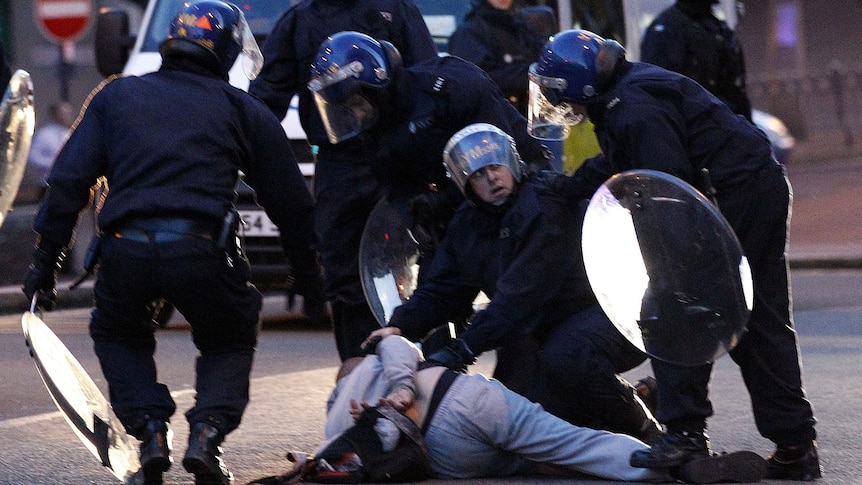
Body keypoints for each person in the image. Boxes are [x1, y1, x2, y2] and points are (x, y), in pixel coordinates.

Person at [21, 2, 321, 484]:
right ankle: (207, 434)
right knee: (227, 336)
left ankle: (151, 433)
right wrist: (309, 280)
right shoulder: (243, 108)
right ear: (226, 52)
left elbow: (68, 184)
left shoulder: (116, 96)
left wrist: (45, 264)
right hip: (203, 251)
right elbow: (292, 207)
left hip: (124, 249)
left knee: (119, 333)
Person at [527, 29, 820, 480]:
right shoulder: (625, 96)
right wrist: (569, 187)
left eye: (558, 93)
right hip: (749, 186)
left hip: (734, 197)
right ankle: (795, 445)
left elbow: (666, 194)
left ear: (580, 85)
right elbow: (622, 164)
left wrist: (671, 270)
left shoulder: (633, 111)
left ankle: (683, 436)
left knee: (672, 307)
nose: (558, 104)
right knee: (759, 317)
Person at [366, 123, 660, 445]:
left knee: (566, 357)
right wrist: (400, 326)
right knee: (522, 418)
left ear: (512, 162)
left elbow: (520, 298)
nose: (491, 178)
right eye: (478, 174)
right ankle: (633, 396)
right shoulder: (468, 223)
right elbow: (444, 289)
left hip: (607, 314)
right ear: (464, 184)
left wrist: (461, 350)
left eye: (495, 166)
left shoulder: (546, 203)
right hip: (539, 329)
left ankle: (646, 429)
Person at [262, 334, 764, 484]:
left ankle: (635, 418)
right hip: (463, 403)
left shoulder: (335, 424)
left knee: (544, 461)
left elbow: (331, 461)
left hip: (447, 463)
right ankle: (667, 468)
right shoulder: (371, 365)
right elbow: (401, 351)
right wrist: (398, 382)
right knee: (576, 443)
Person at [248, 0, 439, 363]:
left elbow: (425, 80)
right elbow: (265, 99)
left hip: (397, 155)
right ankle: (360, 370)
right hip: (339, 160)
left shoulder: (396, 10)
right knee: (345, 277)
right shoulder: (300, 20)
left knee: (421, 263)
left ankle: (427, 368)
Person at [640, 0, 752, 121]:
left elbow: (736, 93)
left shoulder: (718, 28)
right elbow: (659, 98)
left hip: (724, 126)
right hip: (694, 129)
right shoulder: (666, 29)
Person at [447, 0, 548, 115]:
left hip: (531, 120)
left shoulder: (523, 28)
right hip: (493, 121)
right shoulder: (469, 33)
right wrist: (529, 74)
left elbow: (547, 62)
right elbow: (473, 82)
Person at [25, 100, 75, 193]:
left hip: (68, 182)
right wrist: (51, 163)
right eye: (63, 113)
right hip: (48, 182)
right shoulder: (44, 134)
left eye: (68, 113)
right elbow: (32, 156)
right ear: (55, 115)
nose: (67, 117)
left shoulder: (69, 133)